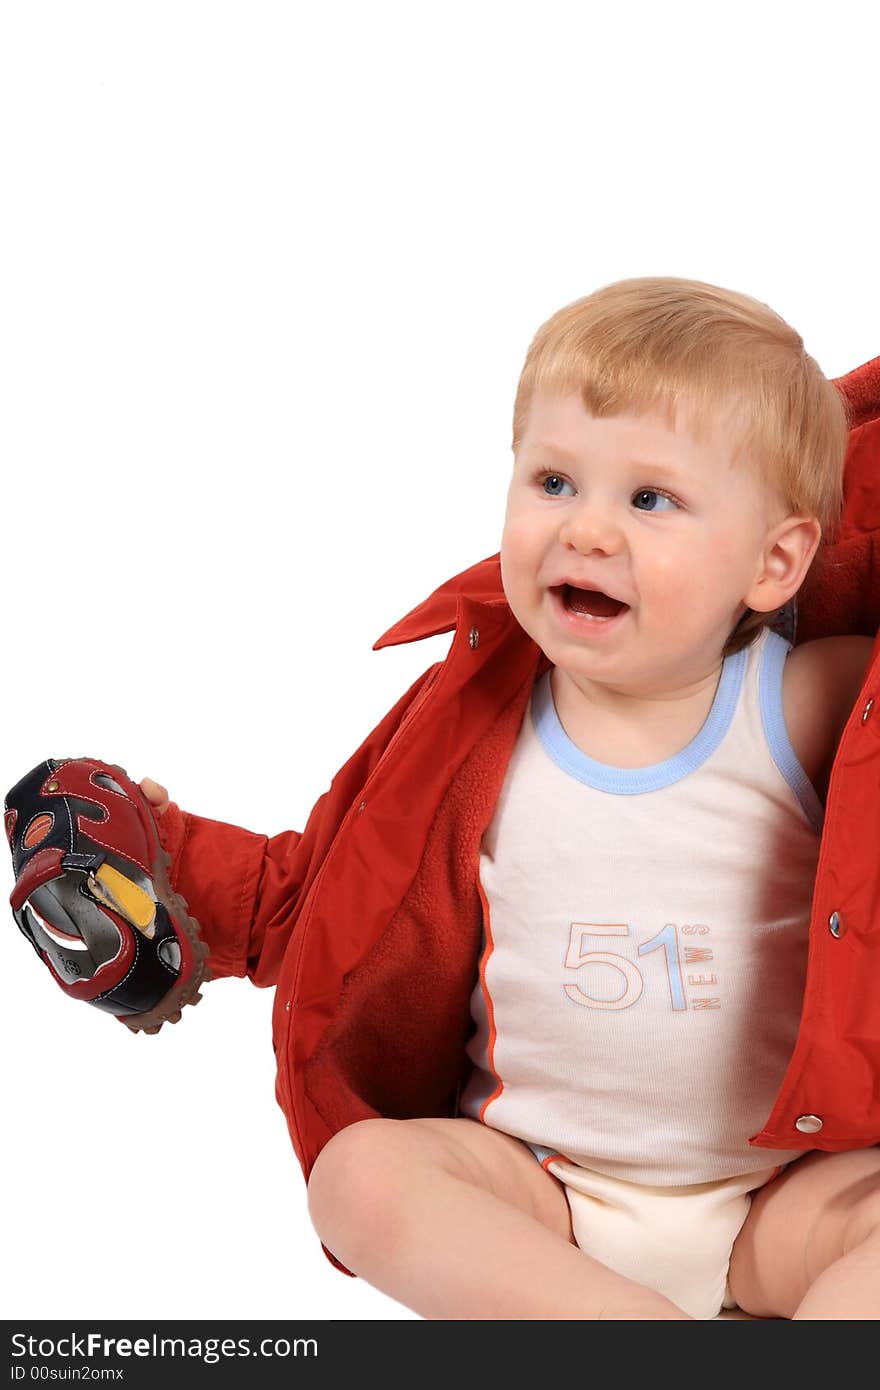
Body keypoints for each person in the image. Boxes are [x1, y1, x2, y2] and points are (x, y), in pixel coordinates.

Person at [17, 277, 880, 1319]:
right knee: (359, 1177)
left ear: (775, 559)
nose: (589, 530)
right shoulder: (464, 725)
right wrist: (161, 856)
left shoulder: (808, 705)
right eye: (555, 481)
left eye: (649, 499)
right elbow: (324, 889)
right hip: (541, 1191)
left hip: (782, 1192)